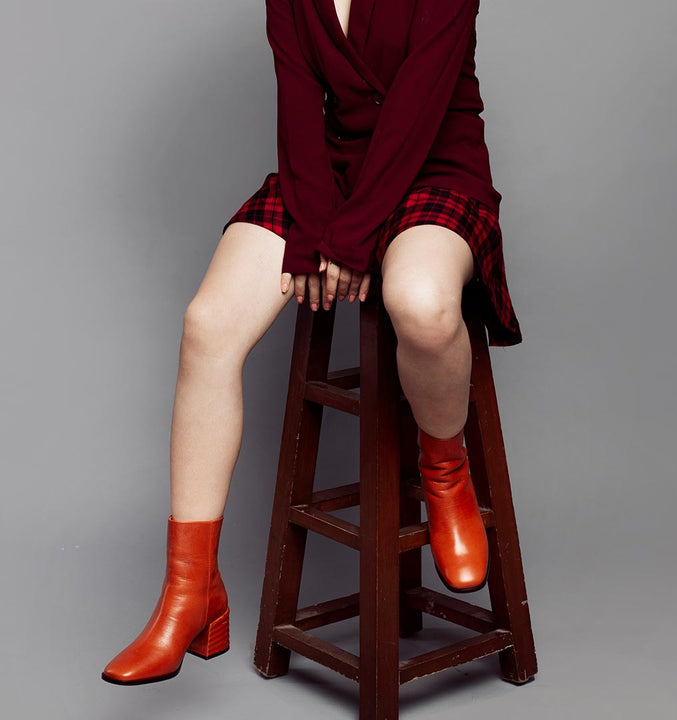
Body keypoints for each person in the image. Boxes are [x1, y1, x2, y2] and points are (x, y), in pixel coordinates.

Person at [101, 0, 522, 685]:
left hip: (434, 170)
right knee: (207, 325)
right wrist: (312, 230)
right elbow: (298, 110)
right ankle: (189, 593)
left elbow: (415, 114)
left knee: (421, 305)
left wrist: (348, 240)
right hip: (329, 177)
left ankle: (445, 472)